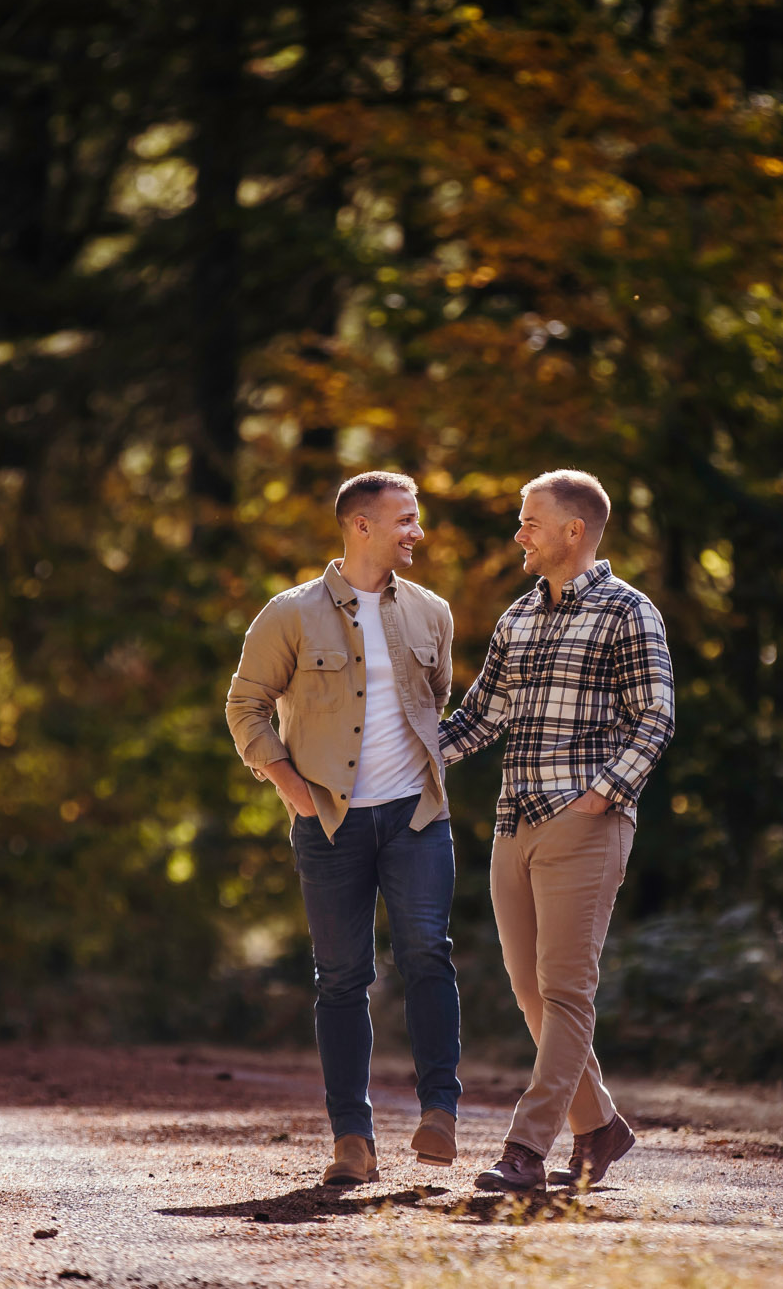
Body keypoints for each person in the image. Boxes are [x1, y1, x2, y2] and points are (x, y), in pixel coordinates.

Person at [440, 469, 676, 1192]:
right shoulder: (519, 616)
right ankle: (601, 1126)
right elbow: (479, 718)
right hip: (513, 825)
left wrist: (600, 798)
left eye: (530, 521)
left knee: (566, 991)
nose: (520, 534)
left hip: (583, 825)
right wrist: (392, 761)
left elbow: (655, 717)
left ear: (573, 530)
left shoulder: (628, 612)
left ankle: (525, 1149)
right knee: (530, 990)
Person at [225, 471, 462, 1186]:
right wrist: (295, 790)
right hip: (329, 822)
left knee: (428, 951)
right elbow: (245, 707)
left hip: (416, 815)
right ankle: (351, 1139)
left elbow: (437, 703)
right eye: (405, 519)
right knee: (341, 978)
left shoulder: (433, 612)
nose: (416, 532)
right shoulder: (289, 613)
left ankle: (440, 1112)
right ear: (361, 524)